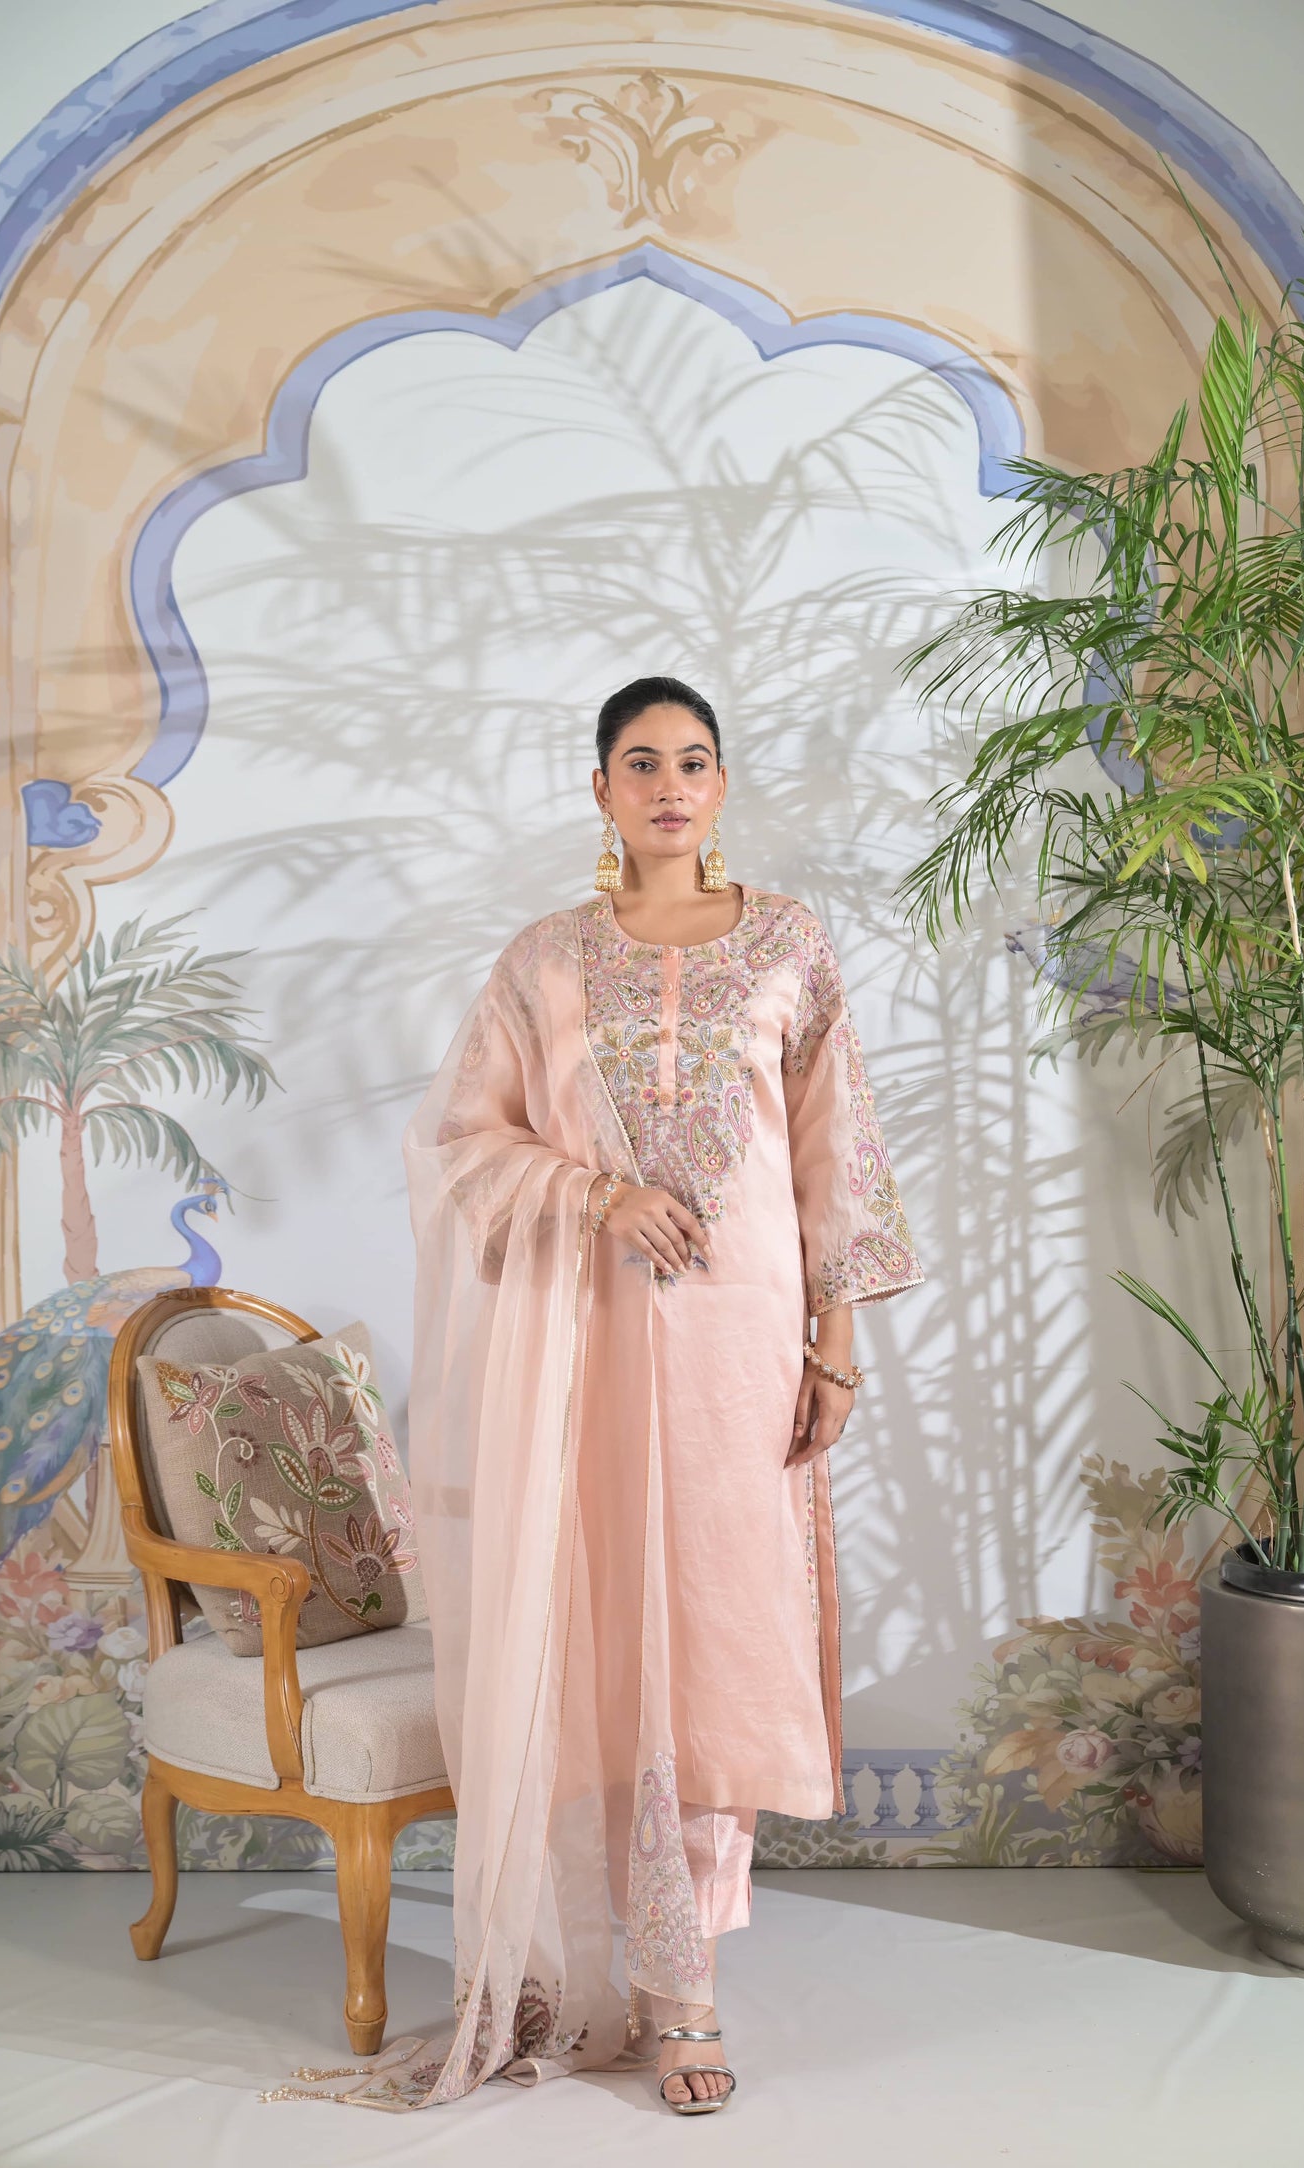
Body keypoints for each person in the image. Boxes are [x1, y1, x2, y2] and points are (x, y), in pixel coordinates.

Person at [281, 676, 921, 2116]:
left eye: (693, 761)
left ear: (720, 783)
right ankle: (617, 1970)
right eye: (641, 763)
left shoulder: (788, 943)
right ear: (600, 790)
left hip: (741, 1353)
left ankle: (682, 1986)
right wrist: (598, 1194)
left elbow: (837, 1156)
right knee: (605, 1644)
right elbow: (462, 1141)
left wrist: (833, 1346)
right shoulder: (547, 961)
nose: (669, 786)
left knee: (716, 1646)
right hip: (589, 1354)